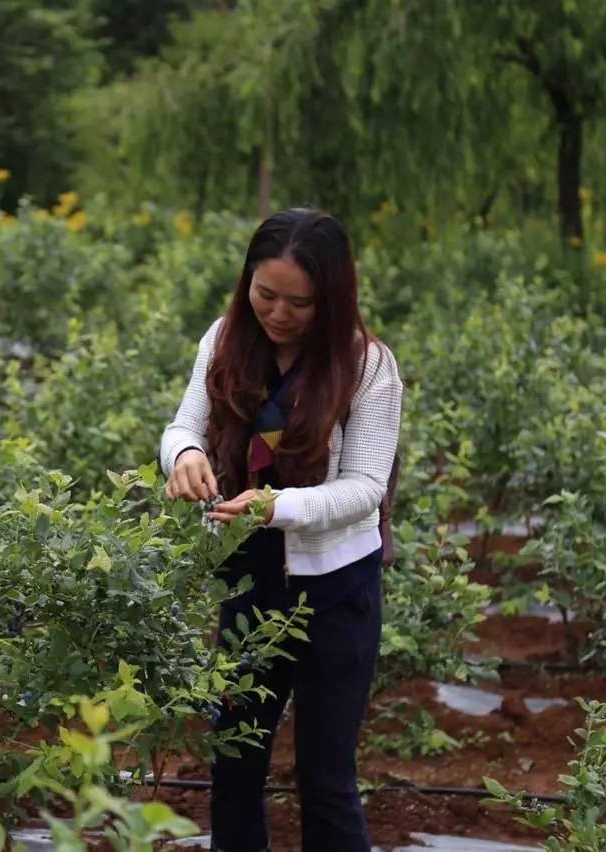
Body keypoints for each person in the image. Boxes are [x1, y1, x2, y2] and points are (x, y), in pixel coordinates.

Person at [160, 209, 402, 851]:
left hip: (336, 589)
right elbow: (186, 425)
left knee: (326, 778)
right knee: (235, 764)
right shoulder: (225, 341)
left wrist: (276, 506)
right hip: (250, 578)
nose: (278, 313)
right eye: (264, 295)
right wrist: (184, 456)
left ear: (332, 299)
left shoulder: (366, 365)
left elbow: (365, 487)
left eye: (300, 302)